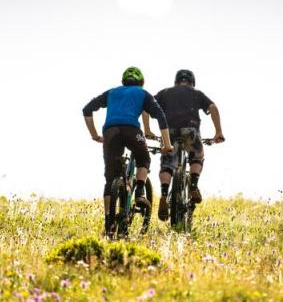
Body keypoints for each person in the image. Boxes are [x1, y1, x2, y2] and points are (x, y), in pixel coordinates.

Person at [83, 66, 174, 237]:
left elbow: (87, 109)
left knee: (110, 179)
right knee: (143, 159)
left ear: (123, 81)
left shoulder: (111, 92)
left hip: (110, 132)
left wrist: (94, 134)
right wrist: (167, 144)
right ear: (140, 82)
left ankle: (109, 221)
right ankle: (140, 191)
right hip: (132, 131)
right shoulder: (142, 93)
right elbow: (160, 116)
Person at [143, 69, 225, 222]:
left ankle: (163, 194)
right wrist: (218, 132)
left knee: (167, 165)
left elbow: (146, 108)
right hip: (190, 129)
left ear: (176, 81)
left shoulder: (165, 93)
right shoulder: (196, 93)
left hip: (170, 131)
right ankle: (193, 185)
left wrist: (147, 130)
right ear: (192, 82)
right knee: (197, 155)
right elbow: (213, 108)